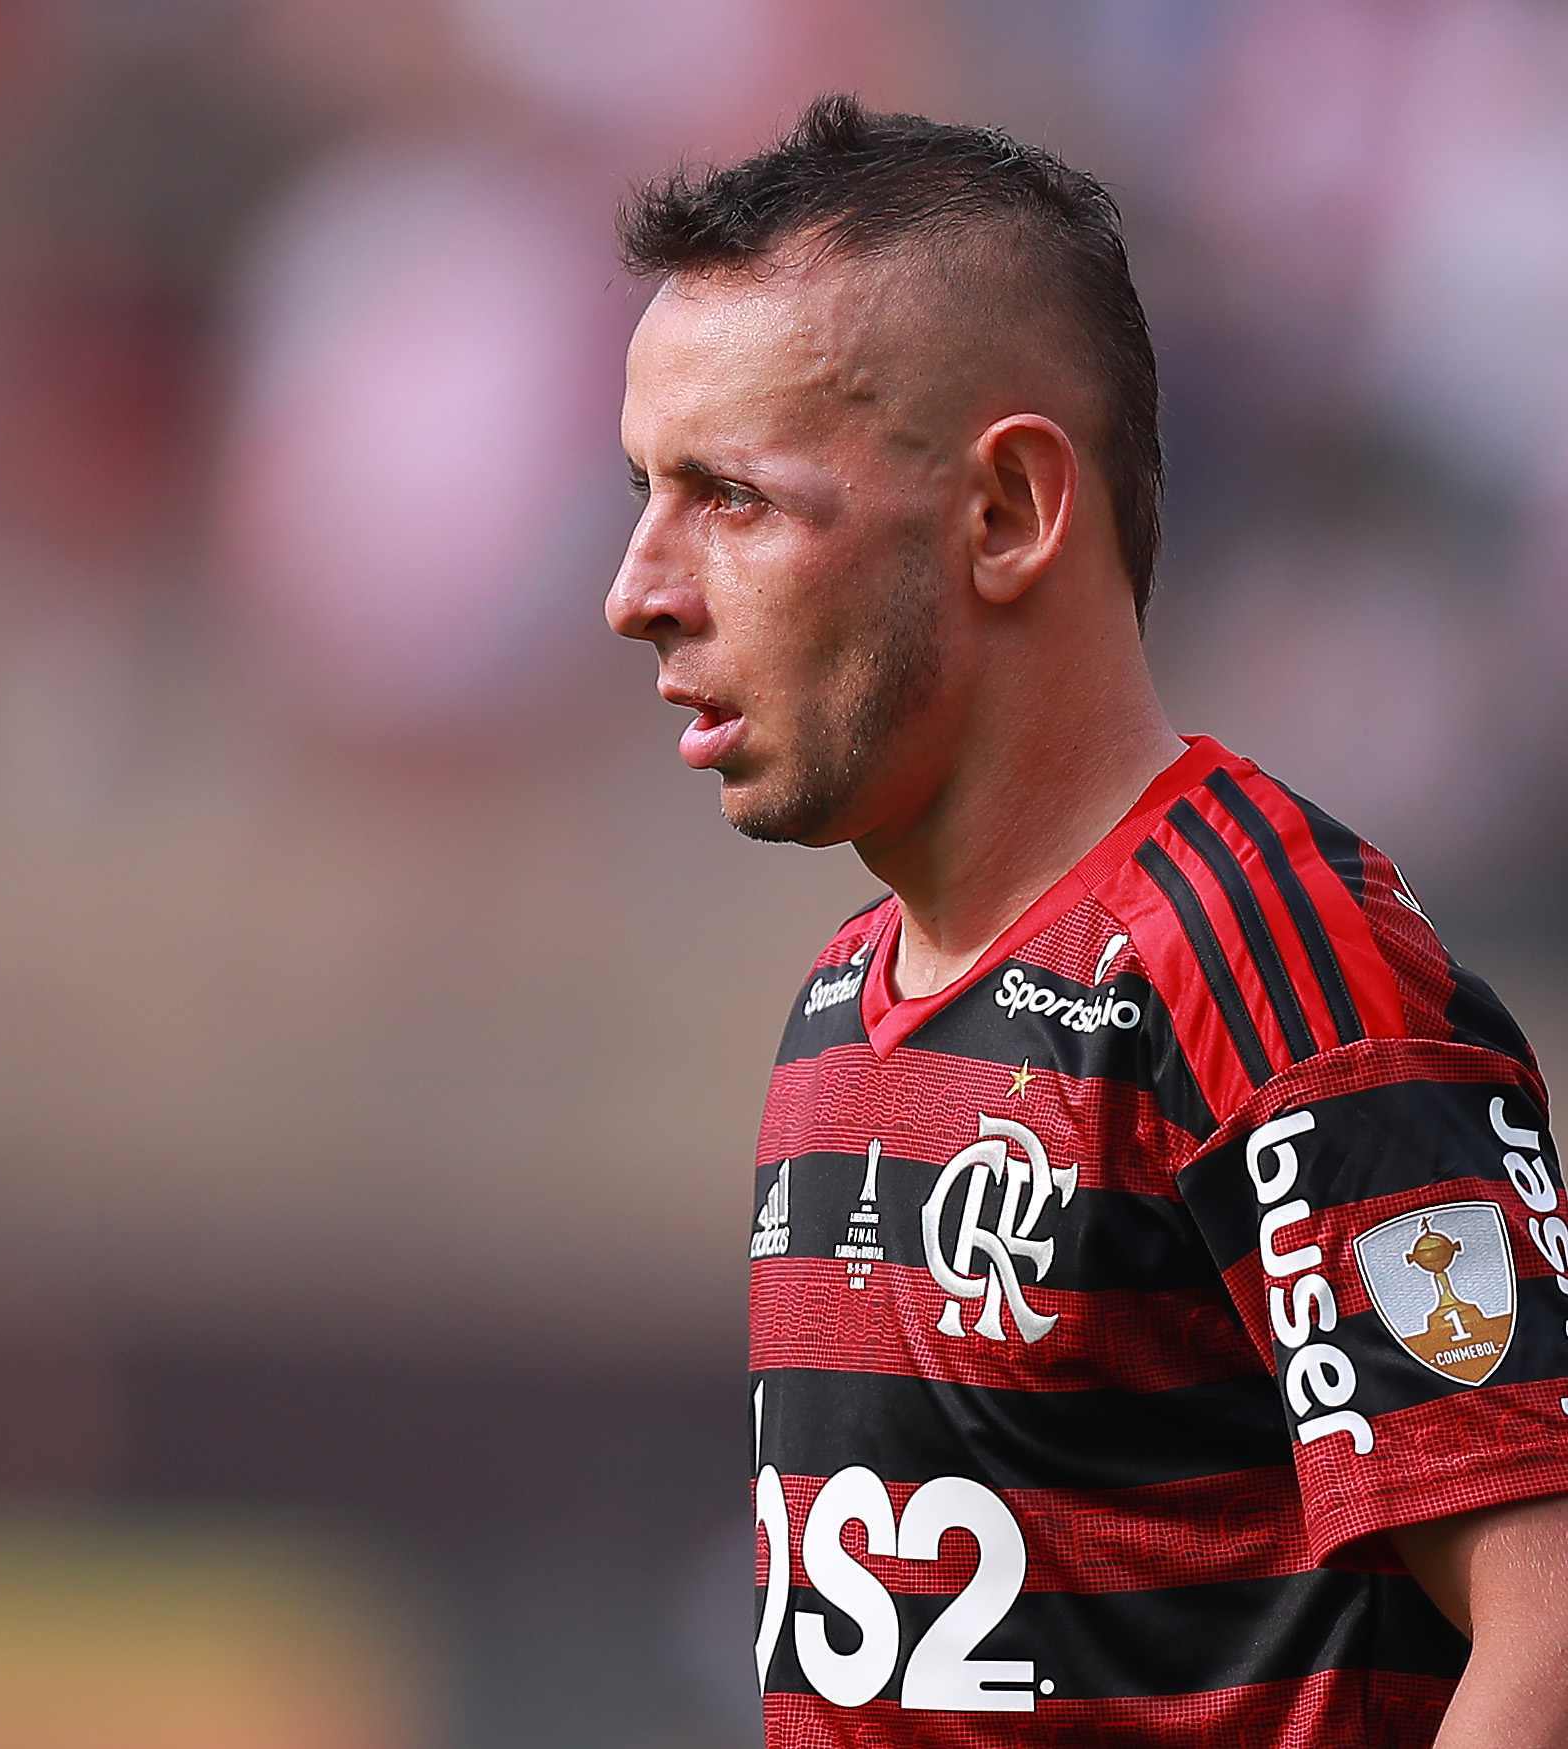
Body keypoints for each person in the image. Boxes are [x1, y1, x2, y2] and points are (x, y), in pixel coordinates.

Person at [605, 94, 1568, 1746]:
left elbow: (1548, 1634)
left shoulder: (1269, 959)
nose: (637, 587)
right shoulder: (844, 1006)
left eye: (735, 498)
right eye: (642, 490)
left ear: (1006, 514)